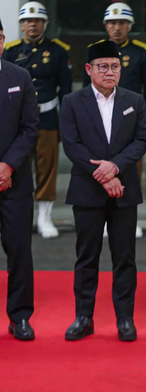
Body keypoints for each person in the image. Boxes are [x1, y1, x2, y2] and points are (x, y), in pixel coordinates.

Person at [60, 40, 146, 341]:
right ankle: (83, 317)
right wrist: (103, 174)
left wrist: (115, 166)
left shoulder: (134, 101)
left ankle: (124, 319)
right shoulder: (73, 101)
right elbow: (71, 144)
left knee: (124, 257)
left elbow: (141, 141)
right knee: (87, 256)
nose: (109, 72)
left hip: (124, 189)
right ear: (89, 70)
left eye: (114, 67)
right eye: (102, 67)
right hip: (88, 189)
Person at [84, 2, 146, 238]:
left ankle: (128, 215)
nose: (117, 28)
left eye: (122, 23)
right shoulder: (94, 51)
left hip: (130, 118)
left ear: (130, 26)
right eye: (113, 23)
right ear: (106, 26)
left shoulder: (141, 51)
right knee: (101, 163)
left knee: (130, 168)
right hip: (101, 115)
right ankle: (104, 215)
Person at [2, 1, 72, 239]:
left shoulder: (58, 51)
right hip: (15, 122)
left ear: (45, 24)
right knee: (17, 165)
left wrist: (66, 120)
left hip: (47, 115)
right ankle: (18, 214)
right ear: (21, 25)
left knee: (47, 167)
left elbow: (66, 88)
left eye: (37, 20)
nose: (32, 24)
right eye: (27, 21)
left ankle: (44, 216)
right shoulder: (10, 50)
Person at [0, 18, 39, 341]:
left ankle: (20, 316)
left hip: (15, 181)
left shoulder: (20, 77)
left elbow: (30, 128)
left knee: (19, 250)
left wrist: (8, 166)